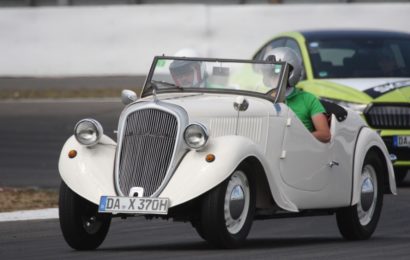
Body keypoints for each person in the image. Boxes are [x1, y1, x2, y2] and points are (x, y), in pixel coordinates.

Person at [264, 47, 331, 143]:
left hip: (300, 151)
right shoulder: (262, 98)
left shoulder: (308, 99)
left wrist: (295, 139)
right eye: (270, 73)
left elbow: (325, 135)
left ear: (291, 73)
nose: (272, 77)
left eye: (276, 73)